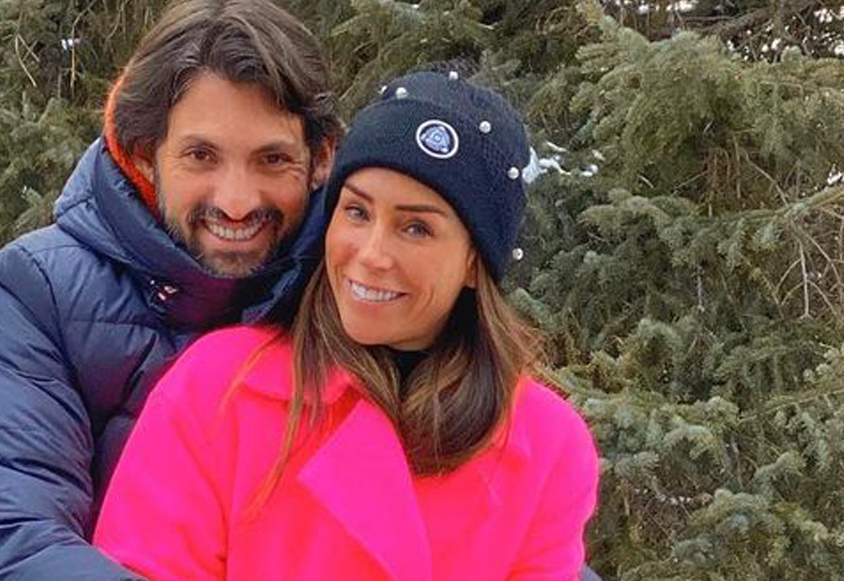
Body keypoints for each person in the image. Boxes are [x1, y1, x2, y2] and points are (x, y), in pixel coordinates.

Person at [93, 71, 601, 581]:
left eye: (416, 228)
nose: (371, 253)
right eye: (357, 212)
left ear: (475, 261)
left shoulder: (547, 447)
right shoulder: (220, 388)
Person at [0, 1, 340, 579]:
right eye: (201, 157)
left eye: (272, 159)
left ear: (321, 158)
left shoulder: (355, 284)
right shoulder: (43, 291)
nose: (236, 201)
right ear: (143, 155)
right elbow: (13, 538)